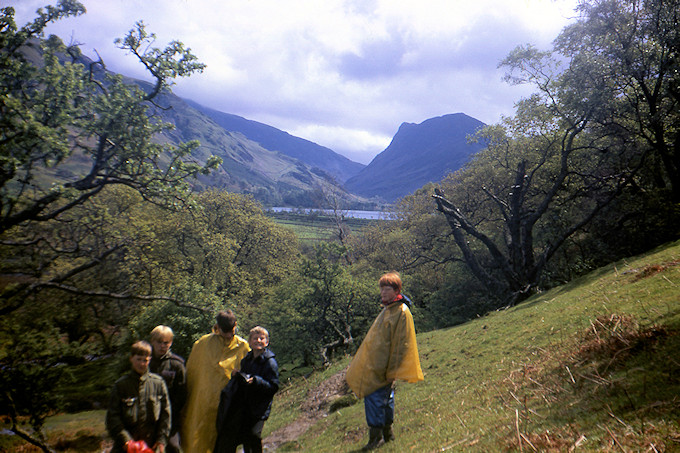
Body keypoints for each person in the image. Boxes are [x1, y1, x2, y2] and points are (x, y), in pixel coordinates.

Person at [345, 272, 424, 451]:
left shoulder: (401, 313)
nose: (382, 293)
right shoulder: (388, 309)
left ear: (396, 290)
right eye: (381, 289)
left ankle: (377, 438)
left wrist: (392, 371)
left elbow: (400, 346)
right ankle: (387, 435)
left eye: (386, 289)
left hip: (383, 369)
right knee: (384, 399)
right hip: (375, 366)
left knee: (374, 398)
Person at [181, 310, 250, 453]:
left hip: (229, 405)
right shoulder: (203, 344)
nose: (228, 335)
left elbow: (250, 375)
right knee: (199, 438)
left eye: (230, 331)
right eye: (224, 332)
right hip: (203, 403)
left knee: (225, 443)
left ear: (235, 325)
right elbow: (192, 373)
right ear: (217, 327)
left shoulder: (243, 346)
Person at [214, 326, 279, 453]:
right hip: (246, 406)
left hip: (260, 407)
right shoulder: (247, 361)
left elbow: (274, 386)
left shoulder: (270, 362)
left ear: (267, 342)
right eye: (255, 338)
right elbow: (244, 381)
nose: (258, 341)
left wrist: (256, 381)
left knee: (254, 435)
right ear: (250, 342)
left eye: (262, 338)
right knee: (246, 437)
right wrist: (238, 375)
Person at [106, 340, 171, 453]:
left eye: (145, 360)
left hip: (152, 445)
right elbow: (112, 418)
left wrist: (161, 440)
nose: (142, 364)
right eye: (138, 360)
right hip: (125, 446)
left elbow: (166, 415)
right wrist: (127, 442)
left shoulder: (158, 383)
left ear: (149, 360)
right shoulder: (121, 385)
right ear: (131, 359)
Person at [149, 325, 187, 453]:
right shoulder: (145, 362)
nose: (162, 346)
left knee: (174, 447)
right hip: (147, 416)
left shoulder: (177, 364)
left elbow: (182, 394)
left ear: (171, 343)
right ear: (152, 342)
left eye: (166, 342)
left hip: (170, 417)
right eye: (159, 342)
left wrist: (170, 413)